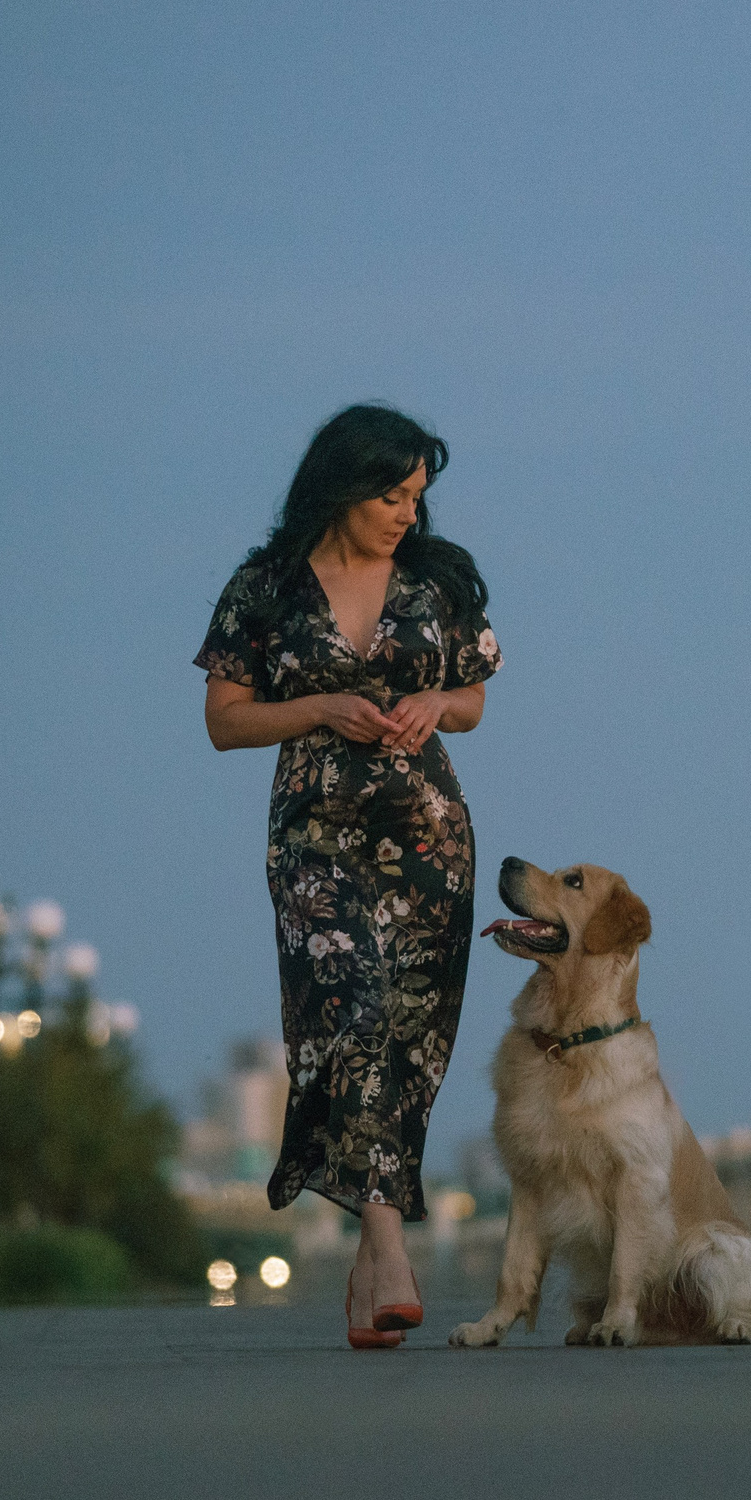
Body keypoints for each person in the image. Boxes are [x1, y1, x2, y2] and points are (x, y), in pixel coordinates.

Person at [195, 405, 501, 1349]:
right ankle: (390, 1242)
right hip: (316, 840)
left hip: (428, 838)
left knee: (409, 1042)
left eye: (417, 494)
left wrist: (434, 702)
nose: (407, 511)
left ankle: (371, 1272)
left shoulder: (437, 581)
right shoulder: (266, 586)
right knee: (350, 1009)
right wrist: (321, 704)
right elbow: (224, 719)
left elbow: (476, 700)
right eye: (390, 493)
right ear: (340, 486)